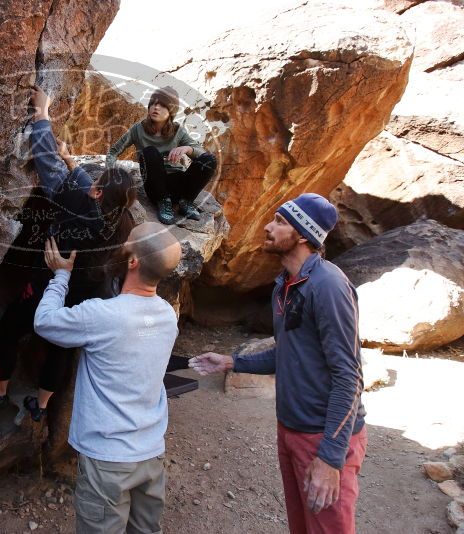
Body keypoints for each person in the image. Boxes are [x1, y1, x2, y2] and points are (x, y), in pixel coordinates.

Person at [189, 193, 367, 534]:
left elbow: (349, 377)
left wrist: (331, 457)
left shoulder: (328, 286)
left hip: (323, 435)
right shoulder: (283, 286)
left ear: (302, 235)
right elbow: (288, 353)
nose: (268, 227)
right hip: (292, 430)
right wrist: (231, 362)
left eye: (280, 222)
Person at [0, 86, 137, 422]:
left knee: (10, 327)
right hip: (85, 299)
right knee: (62, 348)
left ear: (96, 191)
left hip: (45, 285)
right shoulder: (125, 224)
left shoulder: (75, 201)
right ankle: (42, 405)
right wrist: (72, 161)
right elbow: (76, 179)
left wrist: (42, 115)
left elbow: (46, 163)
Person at [34, 222, 181, 534]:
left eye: (126, 245)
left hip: (108, 460)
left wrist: (61, 275)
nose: (120, 247)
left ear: (132, 262)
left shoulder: (102, 315)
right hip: (151, 453)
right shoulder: (168, 316)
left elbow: (45, 322)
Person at [106, 85, 217, 225]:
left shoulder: (178, 131)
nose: (155, 107)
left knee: (209, 160)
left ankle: (186, 202)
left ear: (171, 110)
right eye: (153, 103)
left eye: (162, 105)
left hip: (178, 184)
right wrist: (108, 175)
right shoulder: (138, 130)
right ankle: (164, 202)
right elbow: (113, 151)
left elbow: (201, 154)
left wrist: (187, 149)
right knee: (150, 152)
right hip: (155, 187)